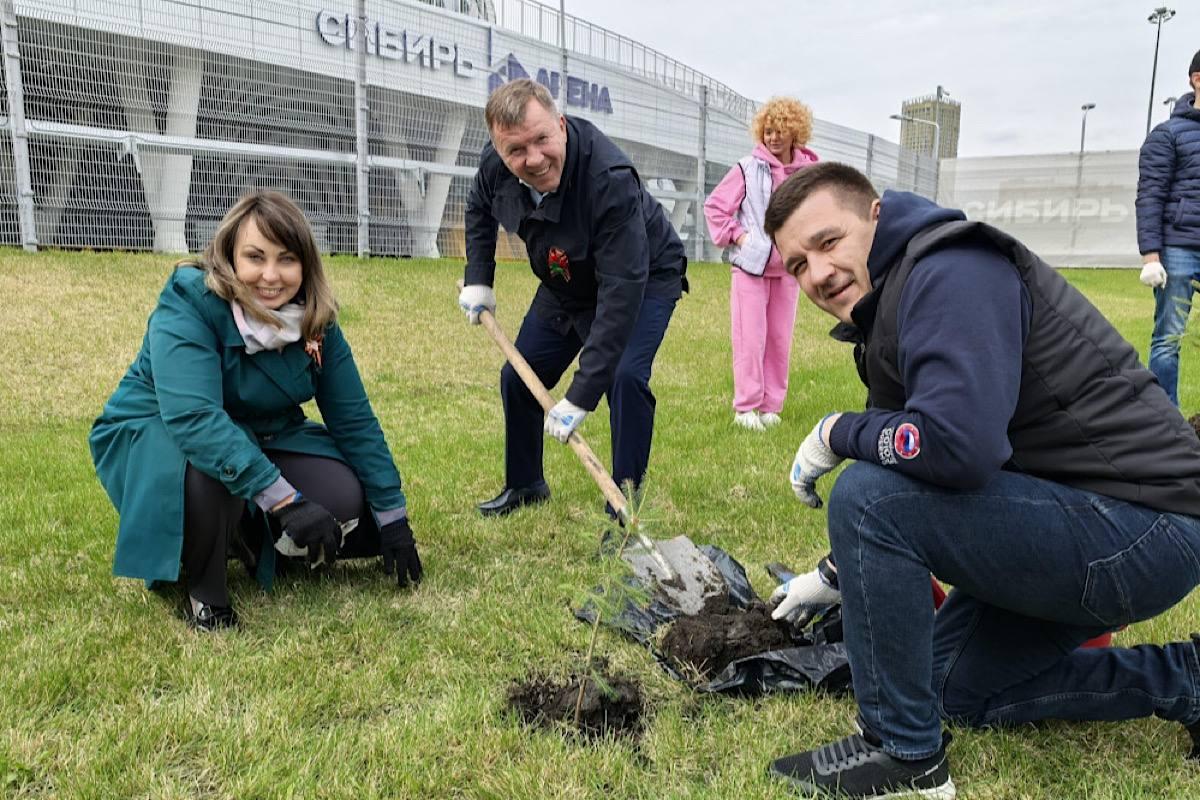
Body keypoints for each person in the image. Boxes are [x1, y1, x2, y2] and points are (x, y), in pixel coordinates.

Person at [760, 162, 1200, 799]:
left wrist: (835, 432)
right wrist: (835, 575)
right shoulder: (891, 304)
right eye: (798, 264)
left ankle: (906, 761)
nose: (819, 273)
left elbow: (956, 452)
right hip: (1084, 516)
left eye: (829, 243)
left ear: (877, 216)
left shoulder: (950, 270)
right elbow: (912, 464)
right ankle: (1183, 679)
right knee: (951, 690)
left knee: (864, 498)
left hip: (1143, 525)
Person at [90, 191, 422, 631]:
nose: (270, 276)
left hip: (266, 435)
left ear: (306, 265)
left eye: (286, 259)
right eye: (255, 257)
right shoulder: (188, 302)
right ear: (229, 255)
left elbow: (355, 420)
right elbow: (195, 419)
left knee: (343, 496)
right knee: (210, 470)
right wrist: (287, 501)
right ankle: (205, 590)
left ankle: (249, 538)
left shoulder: (317, 321)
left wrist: (393, 518)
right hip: (164, 432)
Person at [458, 78, 687, 516]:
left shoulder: (609, 180)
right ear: (499, 149)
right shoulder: (496, 162)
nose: (534, 158)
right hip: (566, 277)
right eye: (517, 151)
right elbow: (477, 207)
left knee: (624, 378)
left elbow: (620, 295)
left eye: (542, 139)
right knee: (519, 377)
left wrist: (581, 395)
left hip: (642, 275)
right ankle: (525, 484)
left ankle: (623, 507)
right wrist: (478, 279)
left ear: (560, 124)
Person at [704, 96, 819, 430]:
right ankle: (746, 409)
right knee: (750, 340)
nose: (773, 137)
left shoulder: (809, 175)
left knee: (779, 340)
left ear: (795, 132)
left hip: (788, 270)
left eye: (780, 130)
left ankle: (771, 407)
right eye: (768, 130)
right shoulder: (746, 168)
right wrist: (741, 238)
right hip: (750, 269)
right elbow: (715, 208)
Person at [1135, 49, 1200, 408]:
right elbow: (1150, 196)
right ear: (1197, 80)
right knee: (1169, 339)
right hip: (1179, 250)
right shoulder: (1167, 135)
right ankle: (1166, 422)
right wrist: (1150, 256)